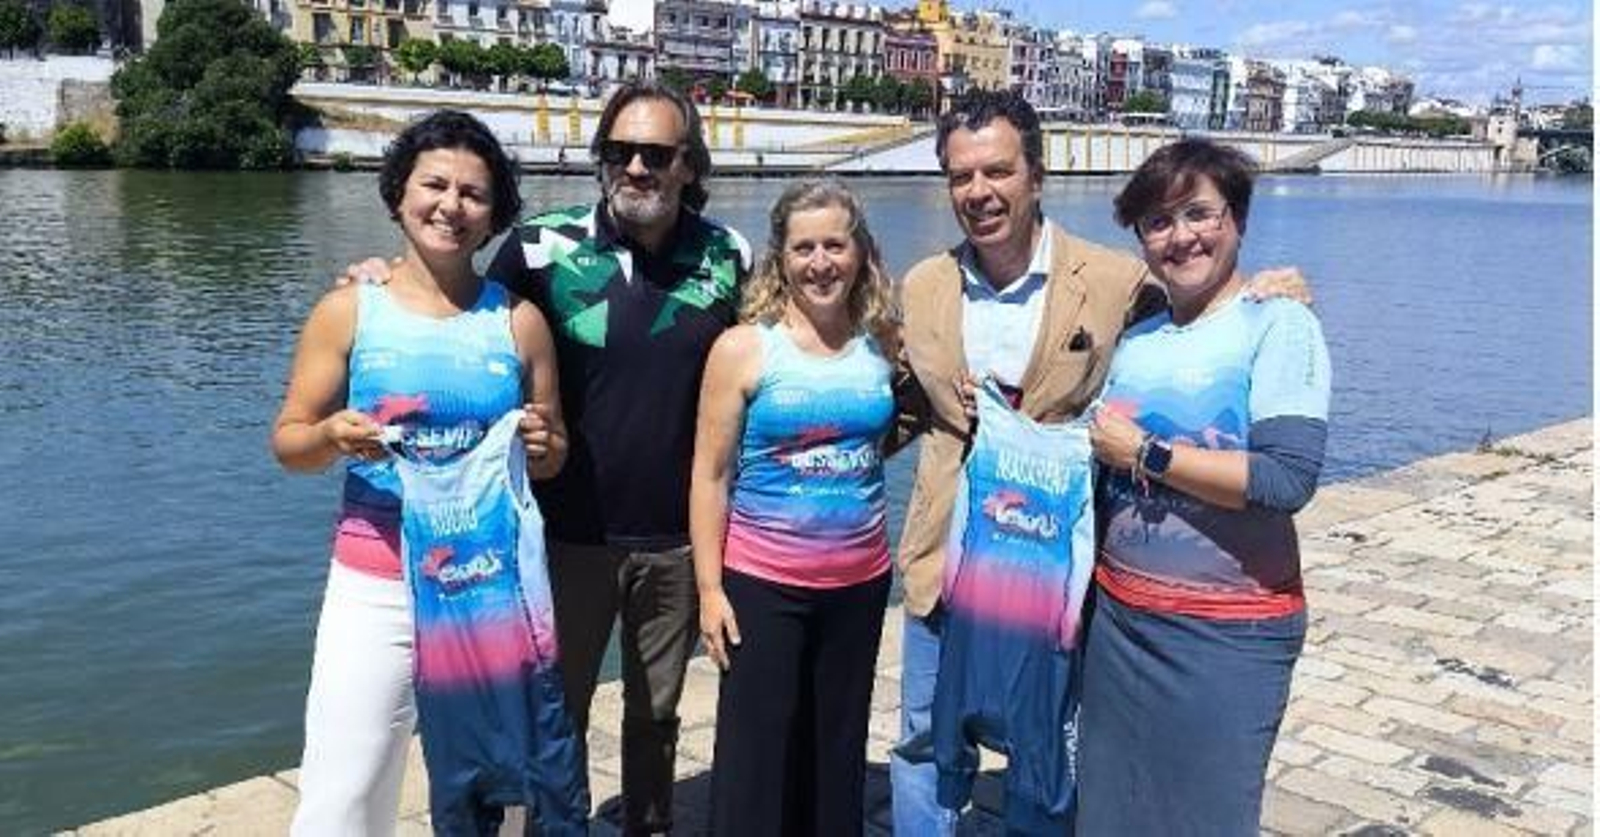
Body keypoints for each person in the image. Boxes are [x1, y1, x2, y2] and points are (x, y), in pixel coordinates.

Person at [890, 89, 1310, 834]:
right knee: (926, 740)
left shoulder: (1116, 282)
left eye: (998, 171)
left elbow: (1200, 301)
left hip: (1057, 567)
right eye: (961, 176)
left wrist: (1270, 293)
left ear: (1037, 174)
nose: (979, 192)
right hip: (944, 559)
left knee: (1045, 749)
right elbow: (895, 394)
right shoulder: (922, 286)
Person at [273, 110, 567, 836]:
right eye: (434, 184)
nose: (452, 206)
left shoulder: (520, 321)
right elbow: (289, 441)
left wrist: (541, 444)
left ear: (495, 212)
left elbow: (555, 450)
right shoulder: (348, 310)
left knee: (490, 781)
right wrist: (332, 436)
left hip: (487, 584)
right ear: (398, 192)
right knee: (345, 782)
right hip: (374, 581)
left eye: (474, 193)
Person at [486, 81, 751, 835]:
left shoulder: (727, 254)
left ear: (689, 165)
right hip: (565, 534)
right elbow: (461, 318)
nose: (636, 167)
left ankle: (650, 825)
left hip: (676, 540)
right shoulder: (542, 245)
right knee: (556, 708)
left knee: (657, 713)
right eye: (619, 151)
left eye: (657, 153)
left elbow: (778, 351)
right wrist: (381, 279)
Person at [1078, 138, 1330, 834]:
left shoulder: (1279, 322)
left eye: (1198, 213)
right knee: (1108, 815)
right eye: (1158, 222)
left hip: (1227, 634)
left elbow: (1286, 477)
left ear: (1237, 220)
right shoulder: (1140, 339)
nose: (1180, 236)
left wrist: (1147, 454)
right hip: (1121, 625)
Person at [689, 179, 901, 836]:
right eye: (803, 247)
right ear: (780, 258)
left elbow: (881, 435)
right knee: (756, 757)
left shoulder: (882, 342)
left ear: (860, 251)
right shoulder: (745, 348)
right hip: (764, 586)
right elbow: (710, 474)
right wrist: (709, 589)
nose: (820, 262)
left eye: (834, 244)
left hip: (860, 582)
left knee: (837, 750)